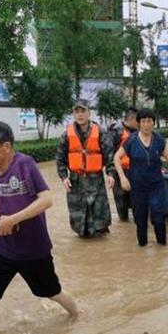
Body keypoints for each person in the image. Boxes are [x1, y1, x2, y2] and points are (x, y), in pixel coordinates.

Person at [0, 120, 78, 334]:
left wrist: (13, 219)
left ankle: (78, 315)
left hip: (33, 249)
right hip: (4, 247)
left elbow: (47, 199)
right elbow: (0, 192)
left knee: (52, 292)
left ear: (6, 147)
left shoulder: (25, 165)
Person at [112, 108, 168, 246]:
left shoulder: (158, 140)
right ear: (139, 123)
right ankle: (142, 248)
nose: (147, 124)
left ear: (153, 123)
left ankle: (161, 247)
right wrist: (122, 178)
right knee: (140, 220)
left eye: (149, 121)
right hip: (137, 187)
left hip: (156, 187)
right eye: (144, 121)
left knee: (158, 218)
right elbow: (117, 157)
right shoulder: (131, 140)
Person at [56, 99, 115, 237]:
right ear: (73, 114)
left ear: (89, 113)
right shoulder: (66, 135)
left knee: (99, 218)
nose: (80, 115)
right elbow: (60, 159)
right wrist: (64, 177)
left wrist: (111, 174)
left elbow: (109, 156)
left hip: (96, 181)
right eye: (77, 112)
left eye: (83, 111)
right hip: (76, 182)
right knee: (80, 220)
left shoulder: (100, 132)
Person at [107, 107, 138, 221]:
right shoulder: (115, 131)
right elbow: (109, 152)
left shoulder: (137, 131)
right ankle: (124, 221)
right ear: (131, 119)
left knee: (137, 201)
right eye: (138, 121)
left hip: (135, 171)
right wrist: (111, 172)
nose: (140, 124)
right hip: (119, 171)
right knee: (121, 201)